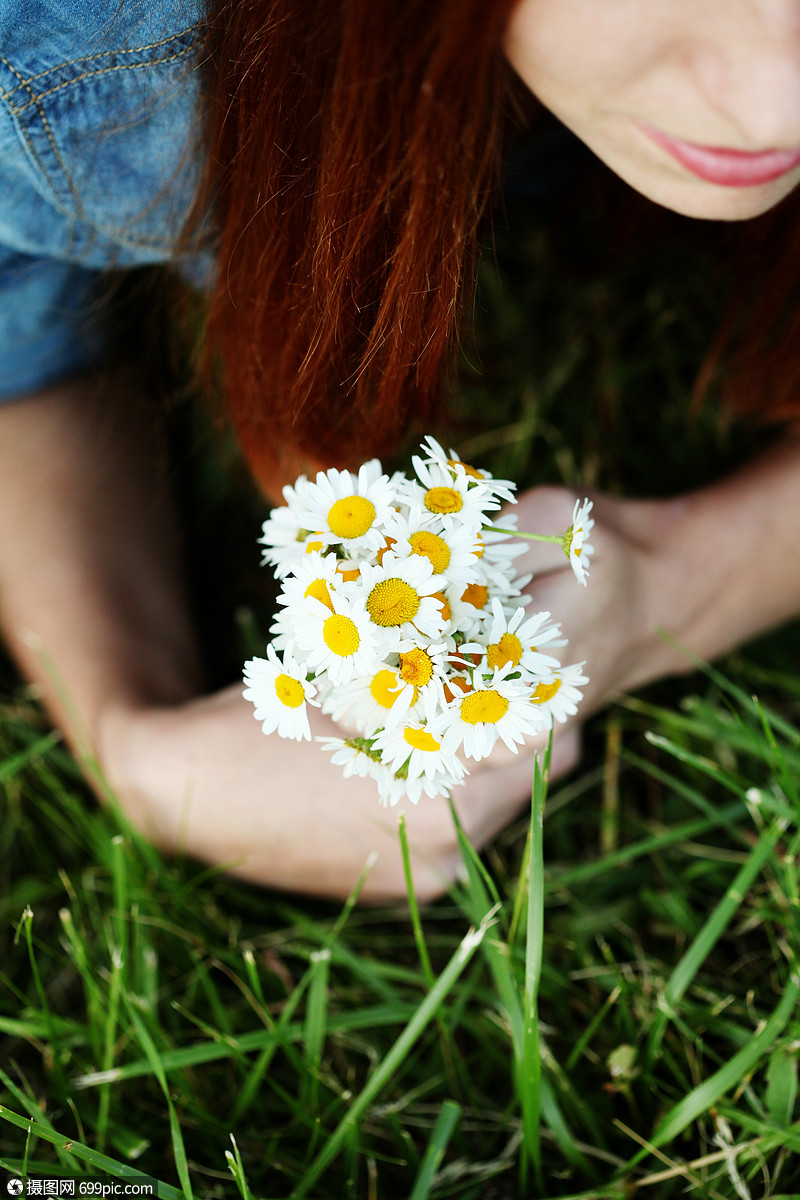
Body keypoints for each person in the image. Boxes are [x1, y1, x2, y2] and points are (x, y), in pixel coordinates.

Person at [1, 0, 799, 902]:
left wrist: (683, 580)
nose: (778, 110)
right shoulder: (93, 59)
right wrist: (136, 752)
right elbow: (16, 362)